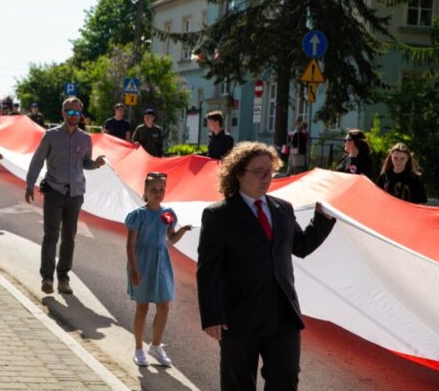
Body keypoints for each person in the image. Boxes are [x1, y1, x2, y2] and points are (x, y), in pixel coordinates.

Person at [196, 141, 336, 390]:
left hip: (282, 314)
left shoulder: (282, 209)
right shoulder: (219, 215)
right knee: (238, 384)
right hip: (238, 317)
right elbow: (208, 269)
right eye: (258, 172)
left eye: (269, 172)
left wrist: (323, 218)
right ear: (239, 173)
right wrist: (212, 316)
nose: (266, 178)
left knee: (285, 380)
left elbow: (301, 247)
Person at [25, 97, 106, 295]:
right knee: (51, 235)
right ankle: (47, 277)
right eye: (70, 112)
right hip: (54, 191)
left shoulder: (85, 139)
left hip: (75, 194)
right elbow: (37, 160)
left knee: (69, 237)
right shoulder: (51, 136)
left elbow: (84, 162)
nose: (74, 116)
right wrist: (29, 184)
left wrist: (95, 164)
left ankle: (63, 278)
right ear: (63, 113)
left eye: (77, 113)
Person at [126, 172, 192, 367]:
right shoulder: (138, 214)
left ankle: (155, 346)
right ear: (145, 190)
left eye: (161, 189)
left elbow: (171, 238)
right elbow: (130, 243)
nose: (158, 192)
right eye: (153, 189)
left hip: (162, 262)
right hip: (142, 262)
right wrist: (134, 269)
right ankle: (139, 349)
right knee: (142, 307)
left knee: (164, 305)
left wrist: (182, 230)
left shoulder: (168, 213)